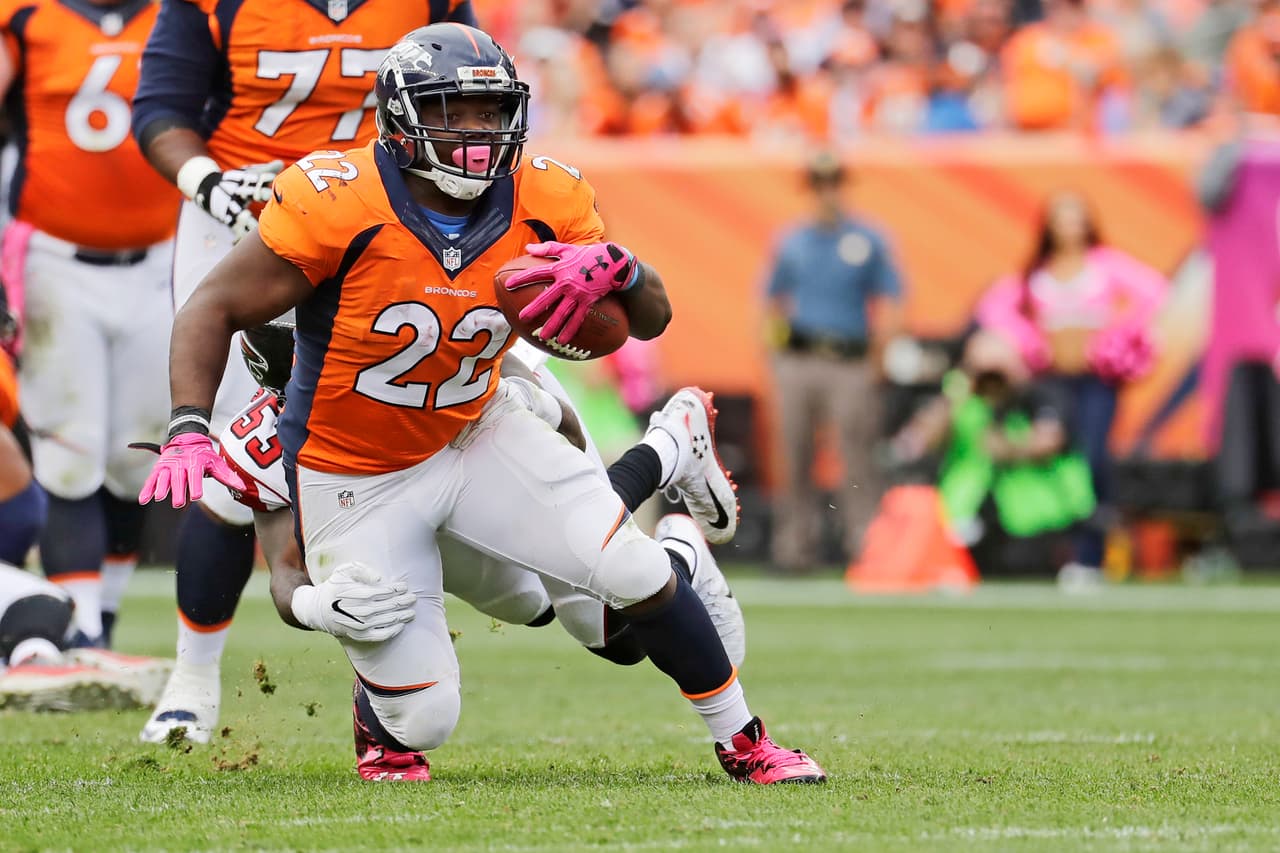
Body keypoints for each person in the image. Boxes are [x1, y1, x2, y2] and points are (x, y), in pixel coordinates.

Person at [140, 24, 825, 785]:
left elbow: (647, 321)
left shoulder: (548, 192)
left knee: (621, 577)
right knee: (432, 709)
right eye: (451, 112)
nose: (475, 134)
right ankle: (384, 712)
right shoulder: (332, 203)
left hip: (478, 426)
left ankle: (745, 739)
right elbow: (209, 309)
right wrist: (191, 430)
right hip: (357, 478)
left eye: (489, 113)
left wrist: (624, 270)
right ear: (401, 120)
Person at [129, 0, 477, 744]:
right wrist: (206, 183)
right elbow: (160, 108)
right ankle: (191, 680)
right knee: (235, 458)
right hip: (243, 217)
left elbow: (468, 90)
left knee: (414, 418)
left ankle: (387, 651)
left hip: (380, 214)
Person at [197, 317, 746, 778]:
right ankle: (386, 715)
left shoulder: (407, 345)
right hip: (398, 502)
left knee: (606, 625)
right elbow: (284, 572)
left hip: (482, 434)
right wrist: (320, 607)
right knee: (538, 612)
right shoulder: (269, 438)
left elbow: (572, 449)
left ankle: (672, 459)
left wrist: (534, 408)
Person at [0, 0, 179, 647]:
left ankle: (99, 617)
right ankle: (75, 626)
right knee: (69, 452)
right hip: (55, 260)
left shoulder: (181, 15)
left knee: (138, 458)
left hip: (162, 258)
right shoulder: (25, 18)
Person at [976, 190, 1165, 573]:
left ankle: (1092, 555)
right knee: (1064, 461)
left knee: (1094, 457)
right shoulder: (1037, 272)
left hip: (1095, 380)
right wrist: (1032, 343)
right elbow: (993, 307)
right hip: (1054, 382)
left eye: (1076, 217)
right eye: (1062, 218)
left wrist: (1116, 337)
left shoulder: (1105, 265)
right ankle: (1060, 553)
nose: (1070, 226)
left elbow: (1156, 293)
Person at [763, 151, 904, 574]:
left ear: (844, 185)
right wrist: (774, 358)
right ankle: (794, 548)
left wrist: (880, 358)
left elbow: (892, 300)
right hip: (800, 357)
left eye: (834, 183)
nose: (827, 192)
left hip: (849, 359)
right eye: (819, 184)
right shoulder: (793, 240)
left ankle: (865, 544)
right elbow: (771, 302)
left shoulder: (869, 238)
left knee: (857, 454)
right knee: (794, 453)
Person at [890, 330, 1095, 576]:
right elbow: (921, 439)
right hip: (967, 509)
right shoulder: (962, 398)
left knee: (1024, 567)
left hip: (1031, 514)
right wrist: (956, 391)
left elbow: (1049, 440)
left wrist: (1006, 446)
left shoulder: (1040, 394)